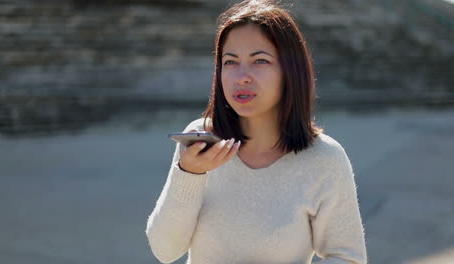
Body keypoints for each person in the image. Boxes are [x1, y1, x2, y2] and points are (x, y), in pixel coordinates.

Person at [146, 0, 367, 263]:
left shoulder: (324, 159)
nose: (242, 76)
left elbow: (346, 257)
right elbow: (164, 250)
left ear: (290, 71)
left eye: (260, 61)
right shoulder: (200, 142)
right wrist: (189, 174)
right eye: (230, 62)